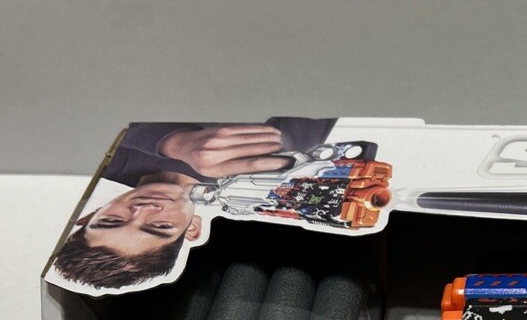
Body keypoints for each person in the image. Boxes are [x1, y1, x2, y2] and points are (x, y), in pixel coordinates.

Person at [51, 118, 336, 290]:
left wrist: (172, 142)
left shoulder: (93, 157)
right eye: (159, 227)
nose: (143, 210)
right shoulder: (257, 175)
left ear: (89, 215)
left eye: (113, 220)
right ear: (192, 229)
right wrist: (281, 150)